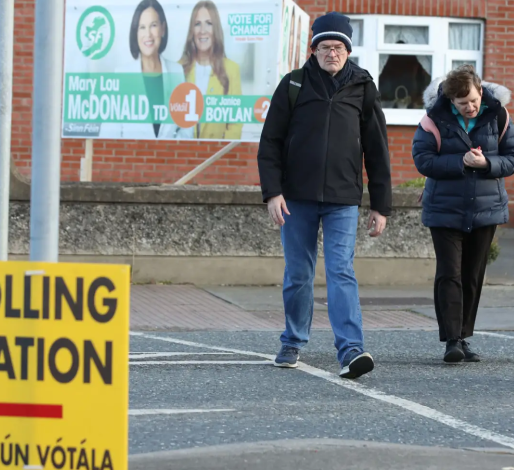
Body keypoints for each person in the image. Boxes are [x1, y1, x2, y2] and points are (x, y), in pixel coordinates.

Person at [257, 11, 391, 379]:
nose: (332, 53)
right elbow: (270, 143)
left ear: (348, 51)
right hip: (295, 198)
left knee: (340, 271)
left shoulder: (363, 87)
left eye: (339, 47)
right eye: (324, 47)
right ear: (313, 49)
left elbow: (377, 149)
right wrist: (273, 193)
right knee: (298, 274)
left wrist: (380, 205)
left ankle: (351, 350)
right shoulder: (293, 85)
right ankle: (292, 341)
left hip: (343, 199)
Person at [412, 65, 514, 363]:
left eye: (474, 100)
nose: (470, 107)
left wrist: (486, 163)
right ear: (451, 101)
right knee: (450, 273)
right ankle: (451, 340)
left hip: (486, 209)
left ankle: (463, 335)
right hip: (443, 209)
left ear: (480, 91)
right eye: (463, 104)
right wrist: (461, 161)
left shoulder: (498, 115)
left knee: (473, 275)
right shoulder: (433, 119)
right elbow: (422, 160)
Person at [103, 0, 192, 140]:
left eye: (153, 25)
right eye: (142, 27)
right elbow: (108, 134)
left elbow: (186, 128)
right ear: (135, 32)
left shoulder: (177, 72)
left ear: (162, 29)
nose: (148, 34)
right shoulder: (121, 75)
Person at [179, 0, 242, 140]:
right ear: (192, 30)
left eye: (209, 23)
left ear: (216, 29)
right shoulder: (178, 69)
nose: (203, 30)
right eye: (197, 24)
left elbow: (235, 125)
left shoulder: (231, 70)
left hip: (216, 155)